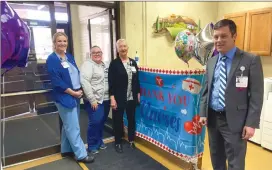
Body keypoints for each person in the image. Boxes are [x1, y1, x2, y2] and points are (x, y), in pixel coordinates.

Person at [199, 19, 264, 170]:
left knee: (235, 163)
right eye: (216, 37)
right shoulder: (211, 61)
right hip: (213, 119)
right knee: (217, 159)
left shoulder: (250, 60)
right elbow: (206, 90)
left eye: (223, 36)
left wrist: (251, 123)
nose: (218, 40)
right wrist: (203, 113)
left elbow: (256, 95)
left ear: (234, 36)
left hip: (236, 122)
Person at [46, 32, 94, 163]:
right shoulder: (52, 59)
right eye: (59, 41)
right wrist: (73, 93)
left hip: (75, 95)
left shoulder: (69, 56)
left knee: (68, 125)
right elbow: (57, 81)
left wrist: (81, 89)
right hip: (64, 97)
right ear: (54, 43)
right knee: (73, 127)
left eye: (64, 41)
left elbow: (75, 73)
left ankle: (66, 149)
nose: (62, 43)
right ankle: (81, 154)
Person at [108, 39, 140, 153]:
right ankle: (118, 142)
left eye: (125, 46)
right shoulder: (114, 63)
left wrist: (138, 93)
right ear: (117, 49)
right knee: (118, 120)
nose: (123, 48)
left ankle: (131, 140)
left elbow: (136, 80)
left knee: (131, 119)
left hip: (131, 97)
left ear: (128, 48)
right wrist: (112, 97)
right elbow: (110, 82)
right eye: (121, 46)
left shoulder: (133, 62)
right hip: (119, 97)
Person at [80, 46, 110, 154]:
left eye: (99, 52)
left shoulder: (104, 65)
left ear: (102, 54)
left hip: (105, 98)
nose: (97, 54)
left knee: (101, 121)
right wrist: (92, 99)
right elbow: (85, 82)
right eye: (94, 53)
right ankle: (92, 145)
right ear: (90, 55)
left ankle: (99, 140)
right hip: (94, 100)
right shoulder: (87, 65)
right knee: (95, 121)